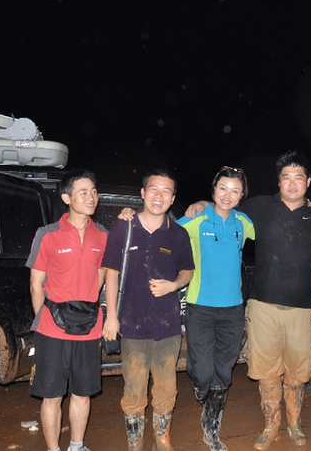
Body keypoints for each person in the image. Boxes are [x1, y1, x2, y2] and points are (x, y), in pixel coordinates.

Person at [185, 150, 311, 449]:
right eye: (286, 177)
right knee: (266, 372)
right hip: (261, 305)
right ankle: (270, 425)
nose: (292, 183)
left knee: (298, 374)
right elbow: (225, 206)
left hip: (302, 308)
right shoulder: (258, 207)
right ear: (279, 182)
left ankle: (295, 424)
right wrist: (201, 203)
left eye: (298, 177)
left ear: (308, 182)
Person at [102, 169, 195, 451]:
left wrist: (173, 285)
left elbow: (188, 271)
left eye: (166, 191)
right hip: (131, 323)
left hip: (167, 323)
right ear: (143, 193)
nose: (159, 195)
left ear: (173, 198)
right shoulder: (123, 227)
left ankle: (161, 439)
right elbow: (111, 274)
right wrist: (111, 317)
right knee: (134, 386)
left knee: (167, 386)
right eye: (154, 189)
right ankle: (135, 443)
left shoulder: (178, 233)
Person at [27, 170, 108, 451]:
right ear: (66, 198)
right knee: (51, 396)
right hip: (52, 328)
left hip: (89, 327)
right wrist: (43, 321)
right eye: (83, 192)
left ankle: (77, 445)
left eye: (94, 191)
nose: (91, 197)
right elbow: (36, 284)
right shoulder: (47, 234)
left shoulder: (103, 236)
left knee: (82, 393)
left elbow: (101, 278)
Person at [176, 166, 255, 451]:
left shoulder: (244, 223)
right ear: (213, 189)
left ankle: (212, 428)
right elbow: (163, 230)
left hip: (233, 310)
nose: (227, 195)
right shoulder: (196, 219)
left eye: (235, 191)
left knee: (224, 372)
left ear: (242, 195)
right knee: (201, 371)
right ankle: (202, 391)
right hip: (200, 307)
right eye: (222, 188)